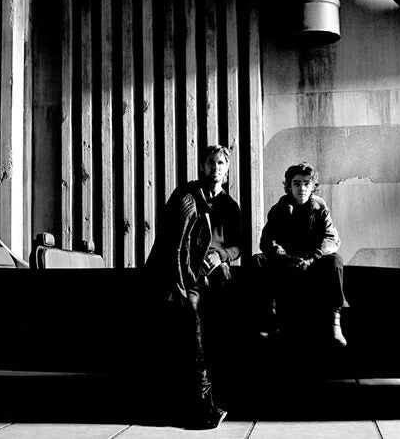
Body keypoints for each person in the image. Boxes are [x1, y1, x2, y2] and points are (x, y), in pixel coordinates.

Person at [146, 144, 241, 430]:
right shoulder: (185, 197)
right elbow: (171, 247)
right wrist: (181, 287)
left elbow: (237, 247)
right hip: (186, 278)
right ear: (203, 166)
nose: (216, 168)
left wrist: (220, 255)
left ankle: (212, 401)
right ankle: (202, 407)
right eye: (211, 162)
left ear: (227, 169)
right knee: (192, 329)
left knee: (221, 330)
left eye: (222, 163)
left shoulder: (230, 206)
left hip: (215, 278)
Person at [255, 162, 348, 346]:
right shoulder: (280, 208)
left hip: (313, 263)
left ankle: (334, 322)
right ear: (289, 186)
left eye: (306, 183)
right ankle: (270, 319)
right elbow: (267, 240)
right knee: (258, 260)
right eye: (297, 183)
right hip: (287, 264)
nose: (302, 188)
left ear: (313, 186)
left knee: (336, 259)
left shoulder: (320, 207)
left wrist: (313, 258)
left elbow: (332, 238)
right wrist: (285, 257)